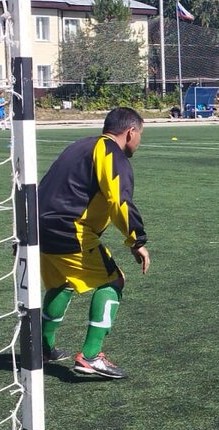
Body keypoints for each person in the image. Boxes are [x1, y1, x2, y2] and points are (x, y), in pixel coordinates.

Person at [37, 107, 149, 380]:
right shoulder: (111, 152)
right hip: (69, 230)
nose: (139, 141)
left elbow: (45, 185)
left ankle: (41, 349)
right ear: (131, 132)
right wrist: (136, 240)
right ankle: (91, 356)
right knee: (114, 280)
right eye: (140, 135)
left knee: (62, 284)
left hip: (38, 229)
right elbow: (119, 200)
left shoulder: (78, 146)